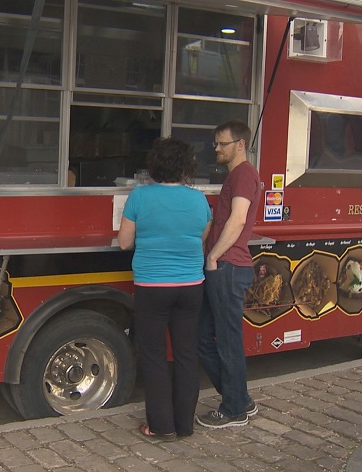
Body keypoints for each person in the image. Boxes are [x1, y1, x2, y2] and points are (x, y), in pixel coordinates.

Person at [118, 137, 212, 440]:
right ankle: (185, 425)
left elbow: (124, 242)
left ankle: (160, 426)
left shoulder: (139, 197)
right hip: (191, 285)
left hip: (152, 286)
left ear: (155, 165)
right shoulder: (199, 200)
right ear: (186, 167)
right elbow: (201, 237)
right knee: (186, 354)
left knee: (154, 355)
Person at [196, 120, 262, 428]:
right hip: (225, 267)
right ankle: (239, 398)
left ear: (240, 145)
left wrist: (213, 256)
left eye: (222, 144)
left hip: (228, 267)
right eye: (216, 144)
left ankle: (234, 410)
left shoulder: (244, 174)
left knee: (226, 341)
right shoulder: (236, 176)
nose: (217, 149)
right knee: (205, 338)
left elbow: (238, 220)